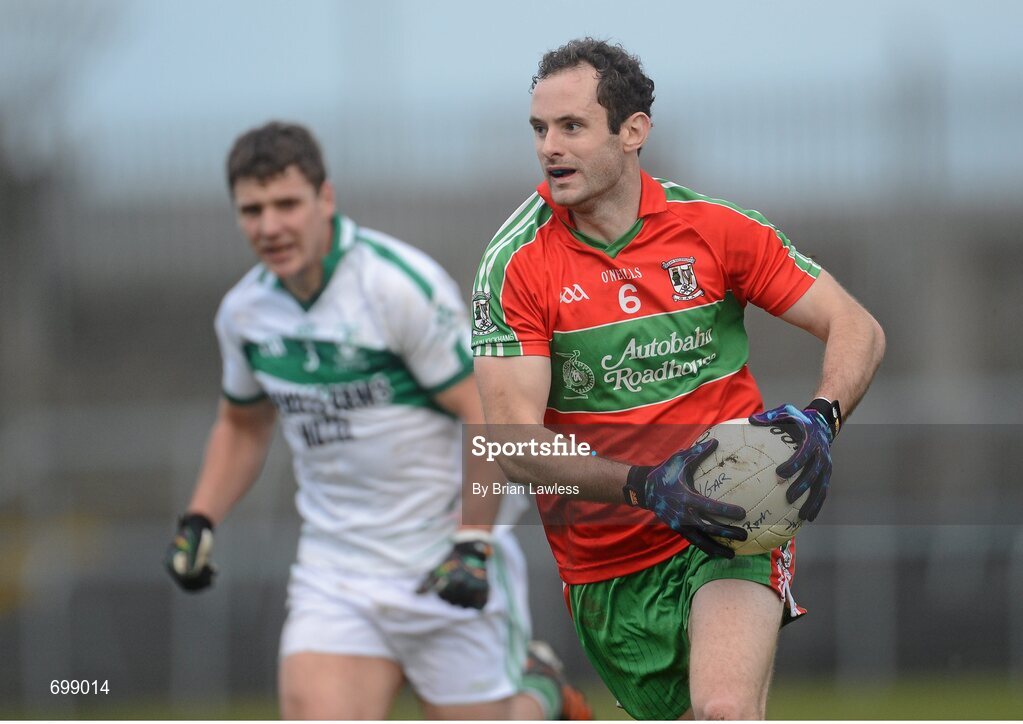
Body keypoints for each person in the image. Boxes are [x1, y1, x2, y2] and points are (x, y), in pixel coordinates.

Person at [471, 39, 885, 720]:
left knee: (722, 712)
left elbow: (856, 325)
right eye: (539, 129)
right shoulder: (514, 262)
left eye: (571, 127)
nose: (550, 147)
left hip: (732, 526)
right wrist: (646, 486)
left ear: (632, 131)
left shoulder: (713, 230)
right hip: (604, 563)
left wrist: (821, 416)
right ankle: (550, 703)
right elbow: (512, 447)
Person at [163, 121, 591, 720]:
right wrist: (200, 518)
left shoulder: (395, 287)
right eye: (251, 210)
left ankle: (537, 691)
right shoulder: (244, 313)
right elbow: (243, 424)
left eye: (286, 204)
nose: (270, 226)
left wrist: (472, 542)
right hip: (337, 571)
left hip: (445, 554)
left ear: (325, 199)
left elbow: (484, 413)